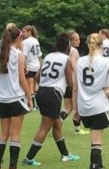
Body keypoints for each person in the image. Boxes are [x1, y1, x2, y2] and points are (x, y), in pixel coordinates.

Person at [23, 33, 79, 166]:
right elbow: (70, 83)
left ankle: (65, 155)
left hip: (42, 91)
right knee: (44, 127)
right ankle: (29, 158)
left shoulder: (48, 56)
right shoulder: (67, 59)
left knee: (57, 123)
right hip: (53, 94)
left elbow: (37, 76)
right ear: (68, 46)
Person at [72, 33, 109, 169]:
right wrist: (108, 93)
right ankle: (94, 165)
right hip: (99, 105)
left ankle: (98, 165)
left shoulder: (80, 61)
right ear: (102, 46)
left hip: (84, 107)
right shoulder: (106, 61)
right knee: (96, 140)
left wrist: (75, 109)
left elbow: (75, 88)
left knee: (94, 138)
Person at [0, 26, 33, 169]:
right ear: (19, 38)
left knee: (3, 133)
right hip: (16, 98)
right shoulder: (19, 54)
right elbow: (22, 79)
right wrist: (29, 97)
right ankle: (12, 166)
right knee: (15, 134)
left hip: (2, 99)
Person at [59, 30, 89, 135]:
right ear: (70, 41)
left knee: (68, 107)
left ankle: (58, 120)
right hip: (72, 82)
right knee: (77, 106)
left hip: (64, 82)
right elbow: (72, 64)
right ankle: (77, 129)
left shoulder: (62, 50)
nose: (79, 41)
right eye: (76, 39)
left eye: (79, 39)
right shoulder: (74, 51)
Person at [22, 25, 42, 109]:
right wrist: (41, 65)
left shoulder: (26, 42)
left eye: (24, 31)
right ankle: (38, 105)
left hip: (30, 66)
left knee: (30, 87)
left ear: (29, 32)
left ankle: (32, 105)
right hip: (36, 65)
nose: (23, 33)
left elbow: (24, 55)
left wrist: (24, 66)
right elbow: (39, 55)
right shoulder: (36, 40)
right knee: (36, 86)